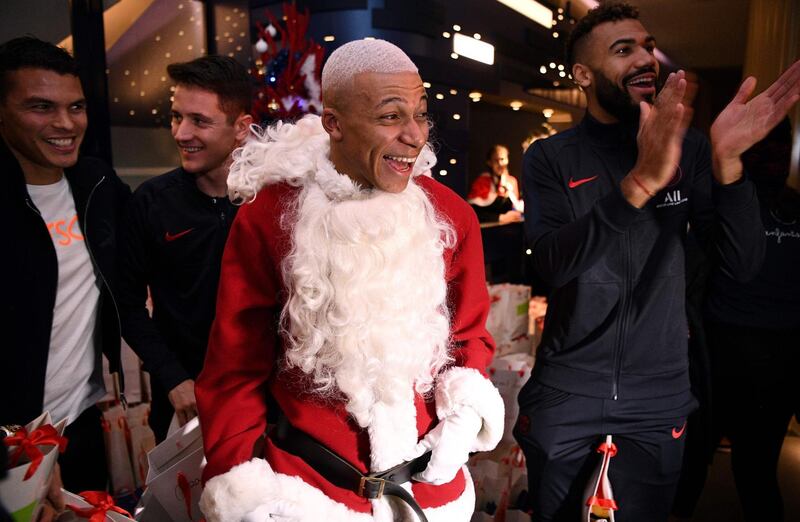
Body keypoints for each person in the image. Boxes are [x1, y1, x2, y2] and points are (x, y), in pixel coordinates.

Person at [195, 38, 504, 522]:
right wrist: (242, 484)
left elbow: (469, 336)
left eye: (421, 114)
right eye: (390, 116)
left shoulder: (452, 214)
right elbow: (233, 368)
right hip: (306, 496)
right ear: (333, 124)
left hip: (429, 499)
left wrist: (463, 420)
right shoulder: (270, 216)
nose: (415, 135)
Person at [513, 2, 800, 521]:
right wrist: (640, 183)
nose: (646, 59)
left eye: (647, 46)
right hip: (567, 390)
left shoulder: (691, 151)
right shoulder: (550, 157)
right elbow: (552, 265)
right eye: (624, 51)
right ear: (583, 74)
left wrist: (729, 166)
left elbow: (742, 263)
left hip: (659, 398)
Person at [0, 35, 130, 499]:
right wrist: (20, 447)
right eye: (41, 107)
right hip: (12, 443)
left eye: (75, 107)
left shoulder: (95, 183)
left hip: (80, 421)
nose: (65, 123)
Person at [117, 55, 252, 441]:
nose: (180, 133)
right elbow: (126, 305)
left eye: (199, 121)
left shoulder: (270, 199)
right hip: (183, 401)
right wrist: (173, 378)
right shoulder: (151, 202)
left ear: (241, 128)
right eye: (177, 117)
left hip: (263, 400)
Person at [701, 118, 799, 522]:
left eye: (781, 143)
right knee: (688, 464)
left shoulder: (797, 205)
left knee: (755, 468)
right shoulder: (718, 200)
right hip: (719, 349)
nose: (772, 153)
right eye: (762, 143)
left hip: (782, 358)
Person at [468, 144, 524, 223]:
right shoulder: (482, 182)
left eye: (502, 159)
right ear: (489, 162)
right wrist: (501, 217)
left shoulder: (512, 181)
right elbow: (474, 212)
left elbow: (515, 207)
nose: (500, 164)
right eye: (496, 160)